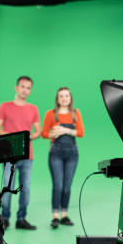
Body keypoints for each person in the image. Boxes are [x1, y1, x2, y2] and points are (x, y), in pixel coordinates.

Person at [0, 76, 41, 230]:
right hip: (9, 156)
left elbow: (38, 131)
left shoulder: (33, 108)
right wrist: (14, 139)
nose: (25, 90)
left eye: (28, 88)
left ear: (30, 90)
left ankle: (21, 219)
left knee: (25, 188)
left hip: (27, 156)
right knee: (7, 188)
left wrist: (29, 137)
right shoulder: (4, 106)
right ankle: (5, 218)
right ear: (16, 87)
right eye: (22, 86)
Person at [41, 87, 85, 228]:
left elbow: (81, 132)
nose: (64, 98)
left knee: (67, 187)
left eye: (66, 96)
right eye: (61, 96)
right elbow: (44, 133)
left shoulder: (75, 113)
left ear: (70, 98)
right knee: (58, 185)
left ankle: (64, 215)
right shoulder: (51, 114)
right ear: (57, 99)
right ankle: (55, 216)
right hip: (56, 153)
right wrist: (54, 134)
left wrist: (65, 130)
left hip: (72, 153)